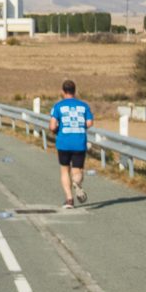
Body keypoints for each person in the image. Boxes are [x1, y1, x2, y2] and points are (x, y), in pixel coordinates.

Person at [49, 80, 93, 209]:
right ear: (75, 91)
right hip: (79, 141)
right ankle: (77, 183)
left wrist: (57, 130)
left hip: (64, 142)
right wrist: (79, 126)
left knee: (64, 169)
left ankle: (69, 199)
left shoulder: (58, 106)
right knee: (77, 169)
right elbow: (89, 123)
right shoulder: (84, 106)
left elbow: (52, 126)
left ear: (63, 91)